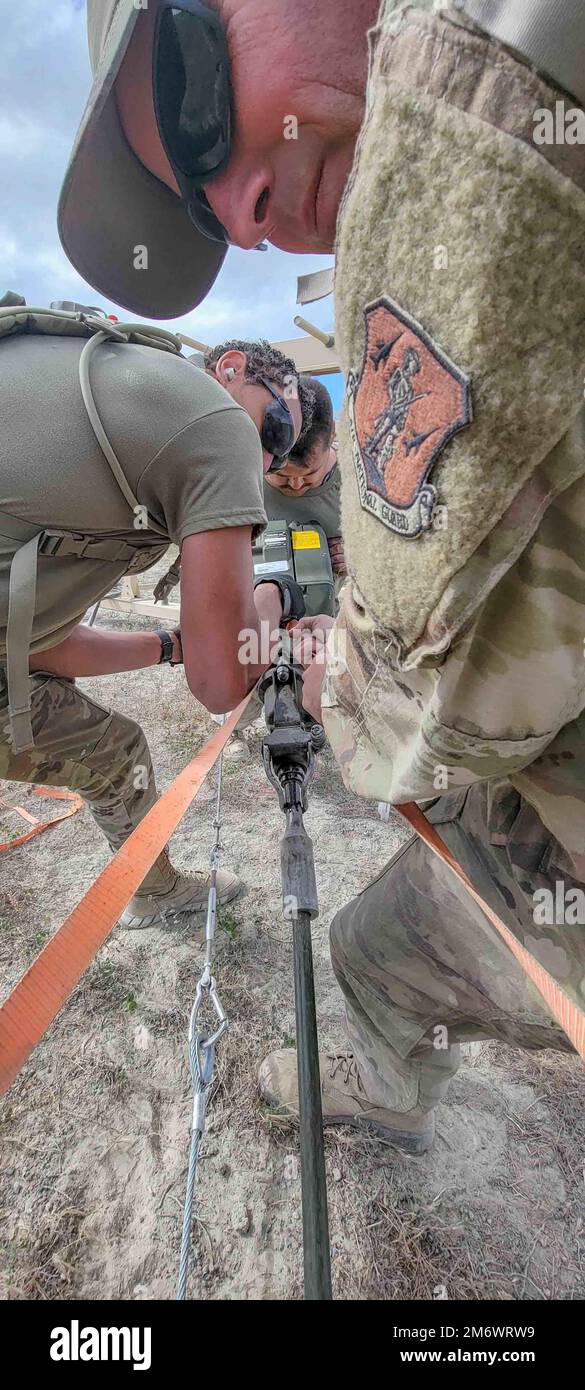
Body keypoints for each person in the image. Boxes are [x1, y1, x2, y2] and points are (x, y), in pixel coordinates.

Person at [60, 0, 585, 1150]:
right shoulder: (244, 467)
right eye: (200, 208)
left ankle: (385, 1051)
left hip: (440, 677)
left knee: (381, 927)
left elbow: (438, 679)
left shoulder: (453, 105)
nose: (244, 221)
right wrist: (266, 623)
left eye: (196, 107)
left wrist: (334, 654)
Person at [0, 323, 305, 929]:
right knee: (117, 753)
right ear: (232, 371)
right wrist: (274, 598)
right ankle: (156, 894)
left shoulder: (109, 384)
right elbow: (220, 685)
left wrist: (172, 645)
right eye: (274, 429)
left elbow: (37, 648)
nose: (268, 459)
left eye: (283, 452)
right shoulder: (215, 423)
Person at [263, 377, 345, 579]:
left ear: (332, 435)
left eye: (309, 474)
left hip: (318, 608)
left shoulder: (356, 485)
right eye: (280, 474)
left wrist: (359, 556)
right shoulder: (239, 477)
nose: (296, 485)